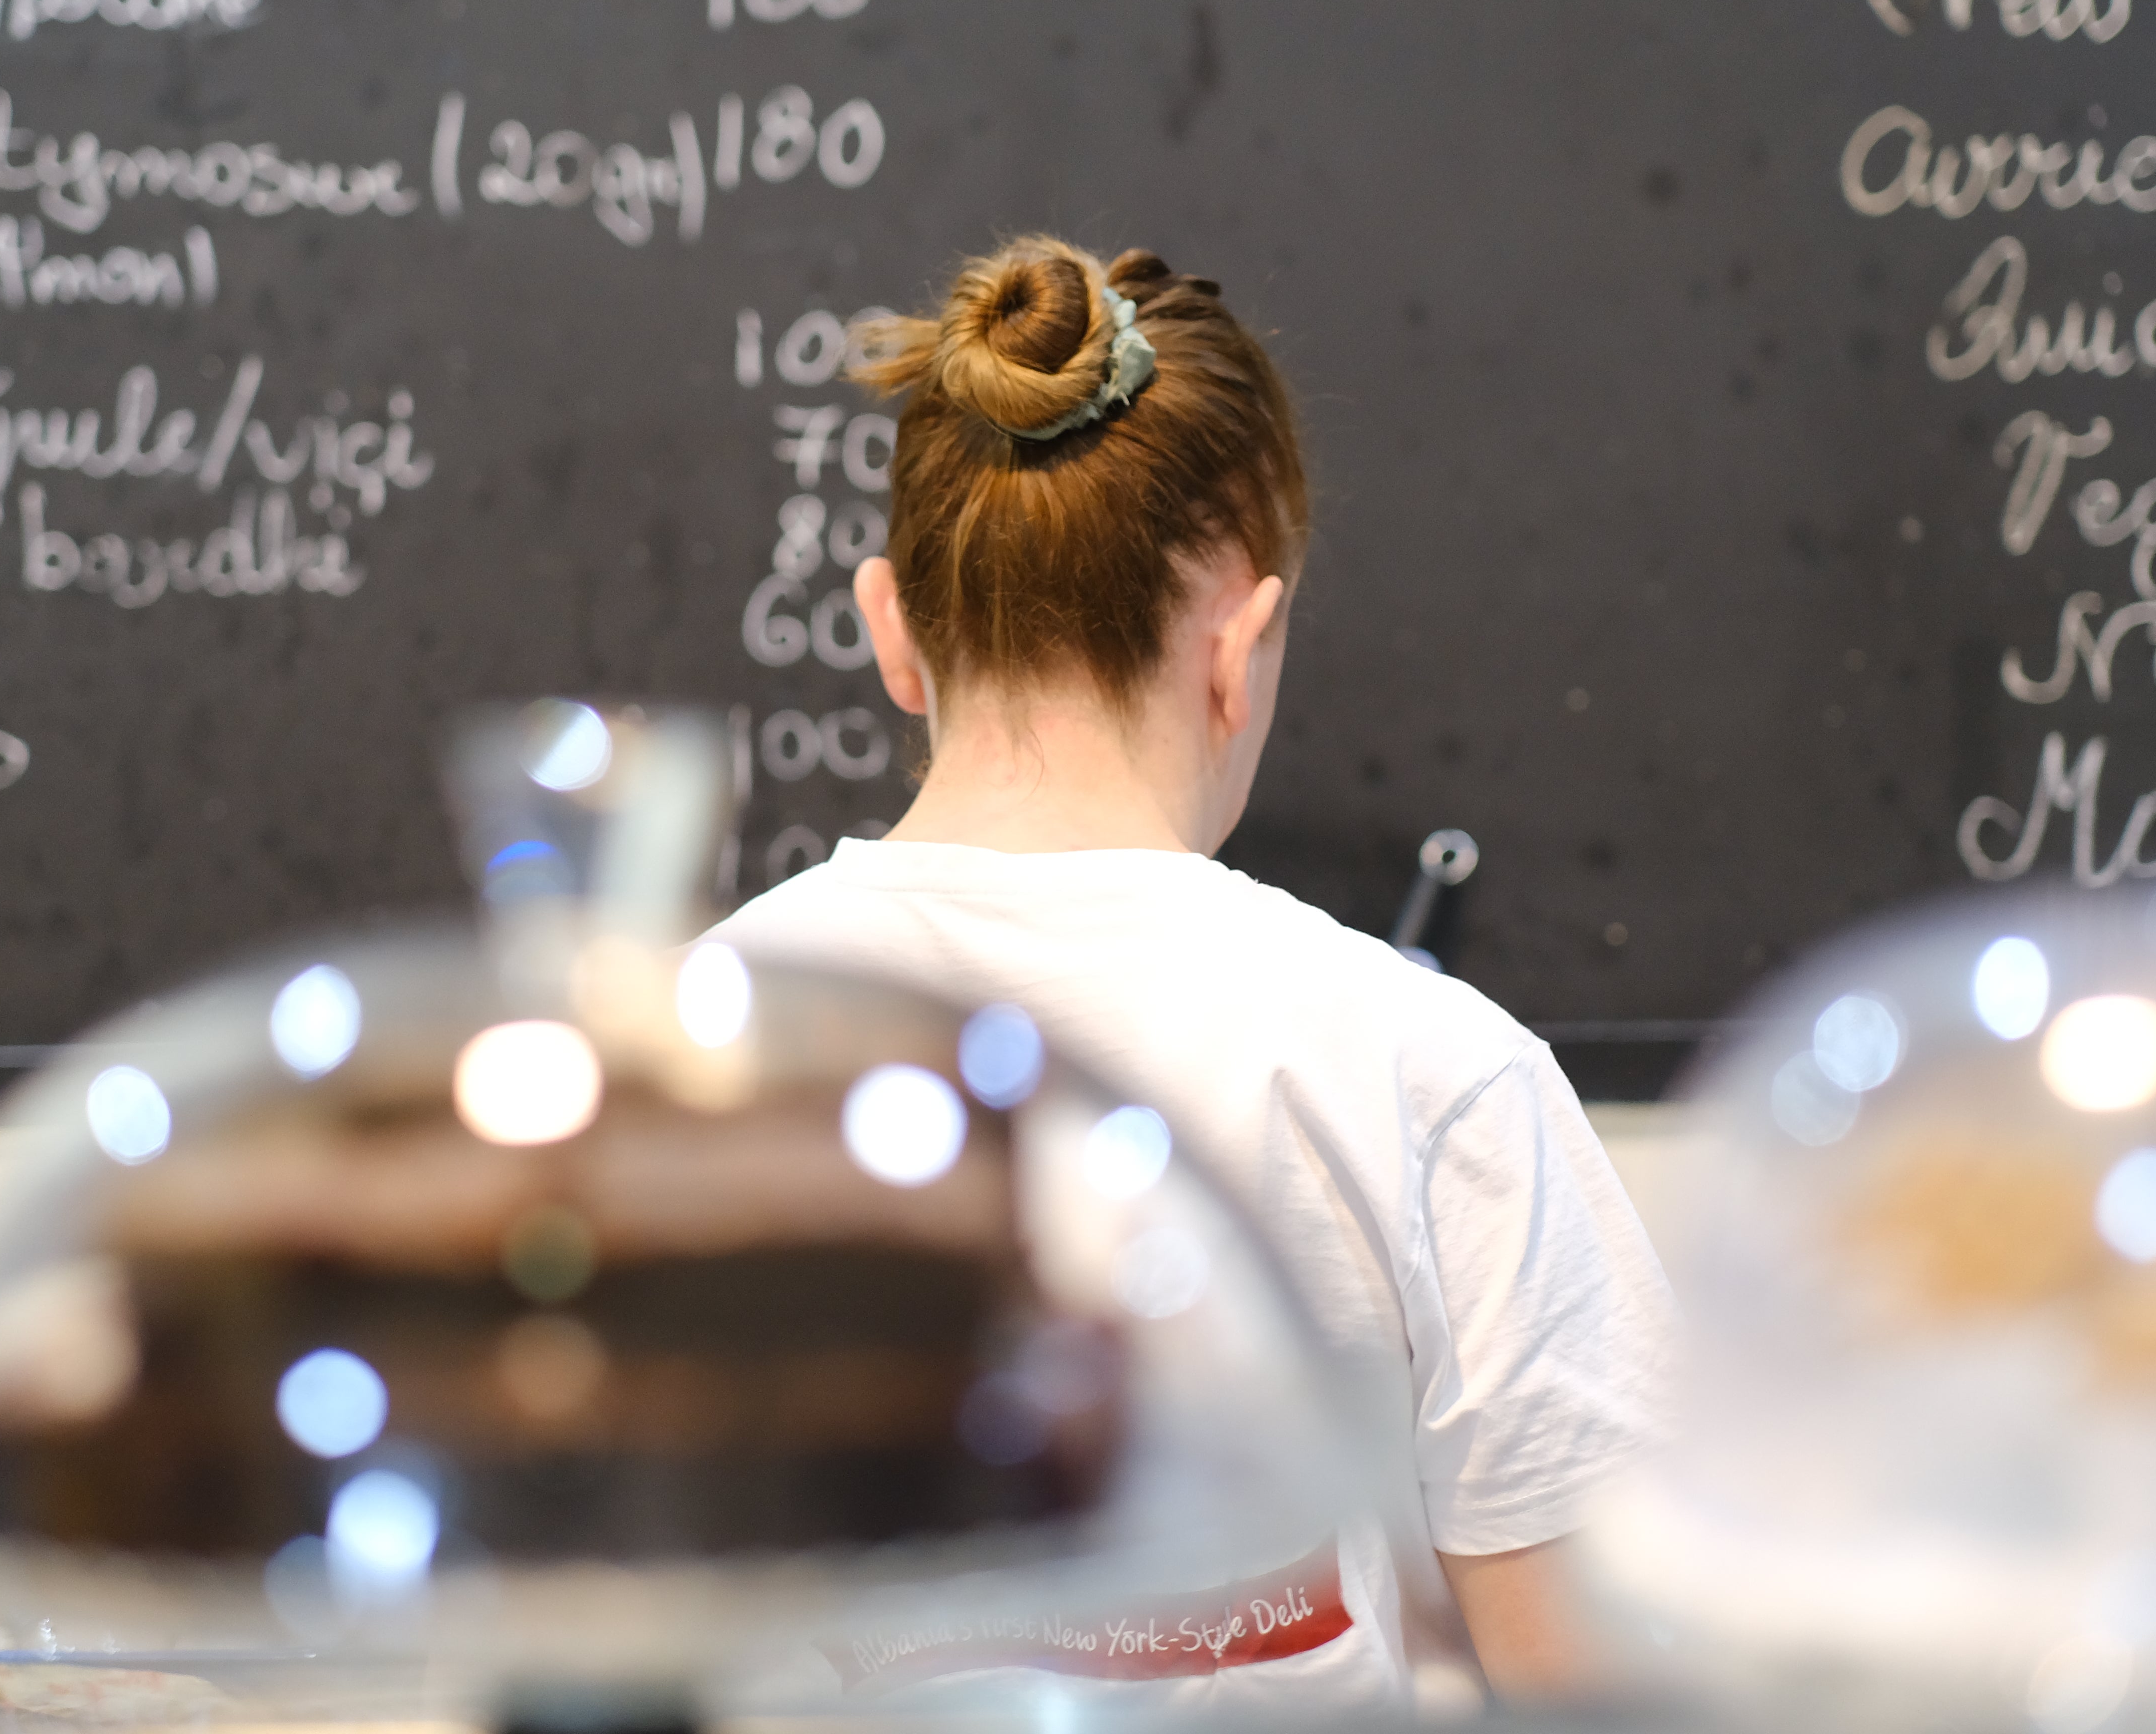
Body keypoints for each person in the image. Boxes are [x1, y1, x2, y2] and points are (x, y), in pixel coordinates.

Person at [711, 234, 1673, 1709]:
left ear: (893, 632)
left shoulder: (679, 1053)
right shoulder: (1429, 1069)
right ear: (1244, 644)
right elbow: (1614, 1688)